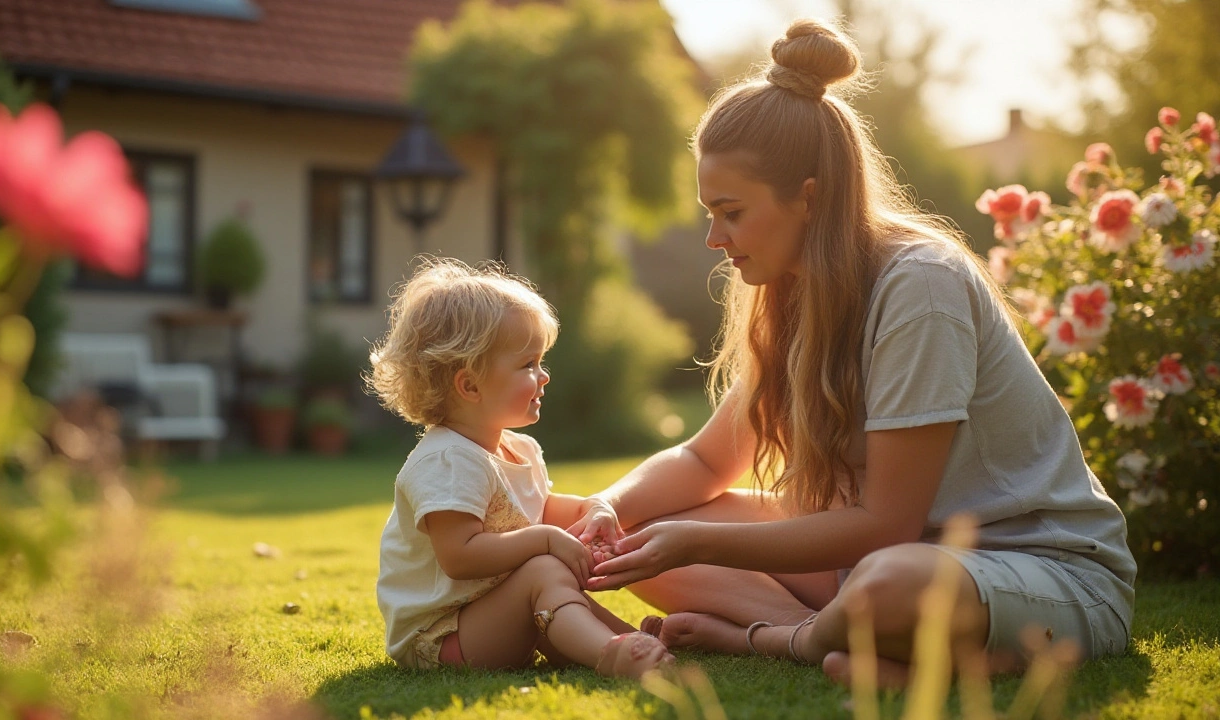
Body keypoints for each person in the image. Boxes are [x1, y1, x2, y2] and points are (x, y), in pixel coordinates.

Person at [567, 19, 1136, 687]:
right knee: (650, 528)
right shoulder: (792, 293)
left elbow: (887, 523)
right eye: (710, 214)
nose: (714, 238)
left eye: (731, 212)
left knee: (887, 582)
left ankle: (783, 640)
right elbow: (704, 459)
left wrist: (696, 542)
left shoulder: (921, 285)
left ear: (808, 197)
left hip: (1038, 571)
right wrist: (605, 509)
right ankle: (856, 642)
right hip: (889, 564)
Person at [368, 258, 673, 677]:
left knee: (548, 576)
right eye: (528, 364)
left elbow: (540, 507)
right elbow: (459, 556)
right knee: (545, 569)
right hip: (442, 639)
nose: (543, 376)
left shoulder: (519, 449)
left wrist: (592, 510)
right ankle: (610, 654)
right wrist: (545, 540)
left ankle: (635, 641)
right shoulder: (448, 460)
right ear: (470, 384)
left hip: (495, 614)